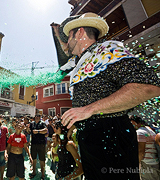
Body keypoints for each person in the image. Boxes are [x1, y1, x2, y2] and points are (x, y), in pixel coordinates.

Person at [50, 12, 160, 179]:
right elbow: (64, 53)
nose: (67, 43)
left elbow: (149, 86)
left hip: (112, 138)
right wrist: (57, 33)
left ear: (79, 33)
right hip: (90, 141)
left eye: (69, 37)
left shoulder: (108, 50)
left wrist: (89, 109)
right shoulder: (78, 62)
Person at [29, 114, 47, 179]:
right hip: (33, 143)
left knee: (42, 159)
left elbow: (45, 130)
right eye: (36, 116)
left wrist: (38, 131)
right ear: (34, 117)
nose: (37, 117)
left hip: (41, 144)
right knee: (34, 158)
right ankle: (34, 172)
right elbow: (29, 131)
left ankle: (43, 174)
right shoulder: (32, 124)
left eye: (38, 117)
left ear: (40, 118)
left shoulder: (42, 123)